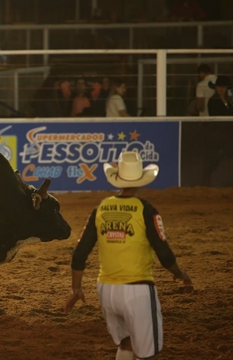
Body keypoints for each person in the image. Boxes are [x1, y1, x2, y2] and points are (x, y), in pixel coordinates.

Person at [63, 151, 193, 360]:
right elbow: (164, 252)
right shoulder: (146, 209)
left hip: (106, 290)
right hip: (137, 290)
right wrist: (180, 273)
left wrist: (76, 288)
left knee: (126, 342)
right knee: (147, 351)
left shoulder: (101, 209)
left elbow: (79, 254)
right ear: (140, 180)